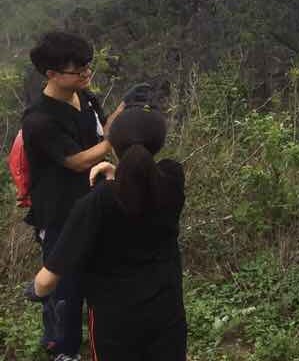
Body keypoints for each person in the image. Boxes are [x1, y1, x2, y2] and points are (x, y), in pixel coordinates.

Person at [24, 107, 186, 361]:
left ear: (113, 146)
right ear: (159, 142)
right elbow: (143, 188)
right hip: (167, 313)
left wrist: (35, 291)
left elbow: (47, 280)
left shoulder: (97, 203)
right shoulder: (173, 178)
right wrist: (115, 178)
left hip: (115, 325)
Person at [20, 31, 123, 360]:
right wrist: (118, 139)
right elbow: (77, 162)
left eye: (87, 67)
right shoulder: (39, 119)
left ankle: (101, 343)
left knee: (99, 277)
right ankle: (63, 350)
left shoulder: (86, 98)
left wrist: (125, 109)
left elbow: (104, 129)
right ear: (51, 74)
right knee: (64, 287)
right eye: (77, 70)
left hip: (95, 202)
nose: (85, 74)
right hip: (60, 214)